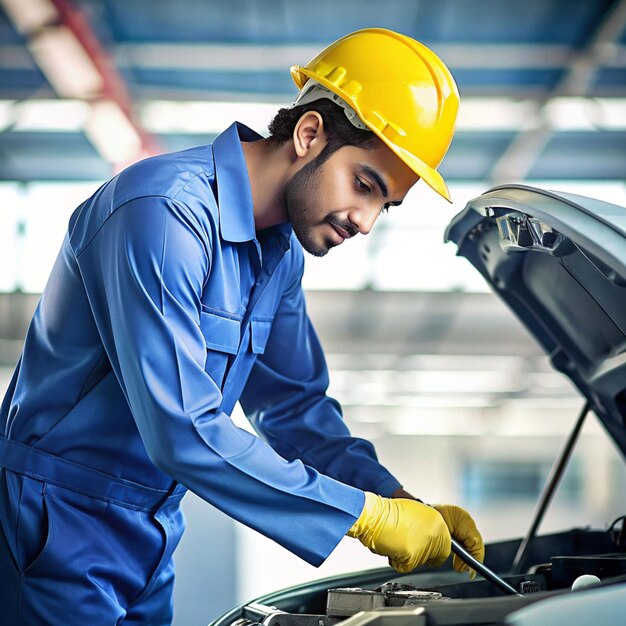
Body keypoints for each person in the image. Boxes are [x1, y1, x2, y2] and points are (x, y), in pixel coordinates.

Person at [0, 28, 484, 624]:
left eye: (385, 205)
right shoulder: (161, 214)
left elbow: (294, 411)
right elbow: (181, 426)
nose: (365, 221)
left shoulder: (277, 256)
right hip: (53, 523)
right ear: (309, 134)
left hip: (151, 532)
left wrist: (397, 500)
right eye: (364, 184)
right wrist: (365, 516)